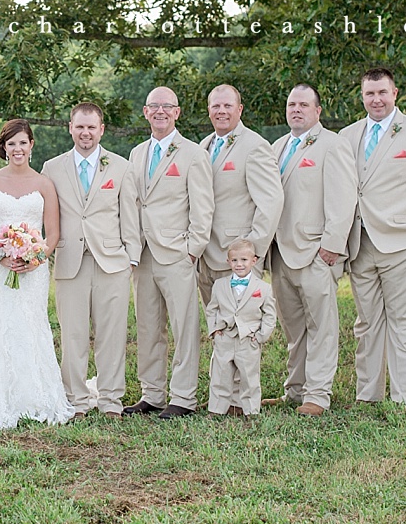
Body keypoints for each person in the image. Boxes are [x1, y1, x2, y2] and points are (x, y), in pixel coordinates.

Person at [338, 68, 406, 406]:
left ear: (395, 93)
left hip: (403, 241)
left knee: (404, 323)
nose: (376, 99)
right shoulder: (348, 135)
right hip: (360, 242)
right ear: (362, 96)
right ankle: (368, 395)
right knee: (366, 324)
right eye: (370, 94)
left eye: (382, 92)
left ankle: (403, 398)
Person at [0, 119, 73, 430]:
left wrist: (34, 257)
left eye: (23, 143)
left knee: (31, 326)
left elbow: (53, 233)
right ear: (4, 147)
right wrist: (0, 255)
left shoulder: (44, 184)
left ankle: (38, 398)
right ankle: (0, 400)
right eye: (11, 143)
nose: (17, 149)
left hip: (33, 270)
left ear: (32, 145)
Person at [120, 87, 214, 419]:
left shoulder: (192, 153)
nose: (160, 111)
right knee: (147, 327)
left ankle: (184, 397)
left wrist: (192, 251)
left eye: (167, 106)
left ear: (177, 112)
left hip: (177, 253)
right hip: (143, 255)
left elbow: (203, 208)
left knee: (183, 327)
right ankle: (153, 393)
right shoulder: (136, 153)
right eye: (154, 106)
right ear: (145, 112)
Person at [41, 102, 137, 418]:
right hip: (70, 261)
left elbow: (130, 216)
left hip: (112, 262)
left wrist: (131, 258)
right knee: (73, 337)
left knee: (112, 336)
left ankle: (111, 401)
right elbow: (45, 216)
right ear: (70, 128)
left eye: (91, 127)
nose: (85, 133)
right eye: (80, 126)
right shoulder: (51, 168)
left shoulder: (120, 167)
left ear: (101, 130)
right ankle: (76, 401)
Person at [267, 83, 356, 417]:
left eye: (304, 104)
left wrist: (331, 245)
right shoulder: (276, 147)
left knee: (321, 326)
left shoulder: (333, 145)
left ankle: (318, 394)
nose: (296, 110)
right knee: (294, 327)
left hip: (316, 251)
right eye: (291, 104)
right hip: (280, 253)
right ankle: (295, 389)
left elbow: (344, 198)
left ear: (318, 111)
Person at [196, 84, 283, 302]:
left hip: (238, 256)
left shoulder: (255, 146)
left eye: (228, 105)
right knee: (217, 324)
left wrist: (252, 250)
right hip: (206, 254)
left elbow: (271, 202)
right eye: (216, 106)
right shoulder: (203, 146)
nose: (221, 111)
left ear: (240, 109)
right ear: (208, 110)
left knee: (242, 326)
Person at [205, 239, 276, 418]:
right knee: (220, 375)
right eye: (235, 260)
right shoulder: (220, 285)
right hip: (225, 337)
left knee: (249, 378)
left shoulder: (263, 288)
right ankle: (217, 409)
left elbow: (269, 315)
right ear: (228, 262)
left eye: (244, 260)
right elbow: (211, 309)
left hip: (248, 339)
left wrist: (260, 336)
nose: (239, 264)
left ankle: (251, 411)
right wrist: (214, 330)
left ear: (254, 260)